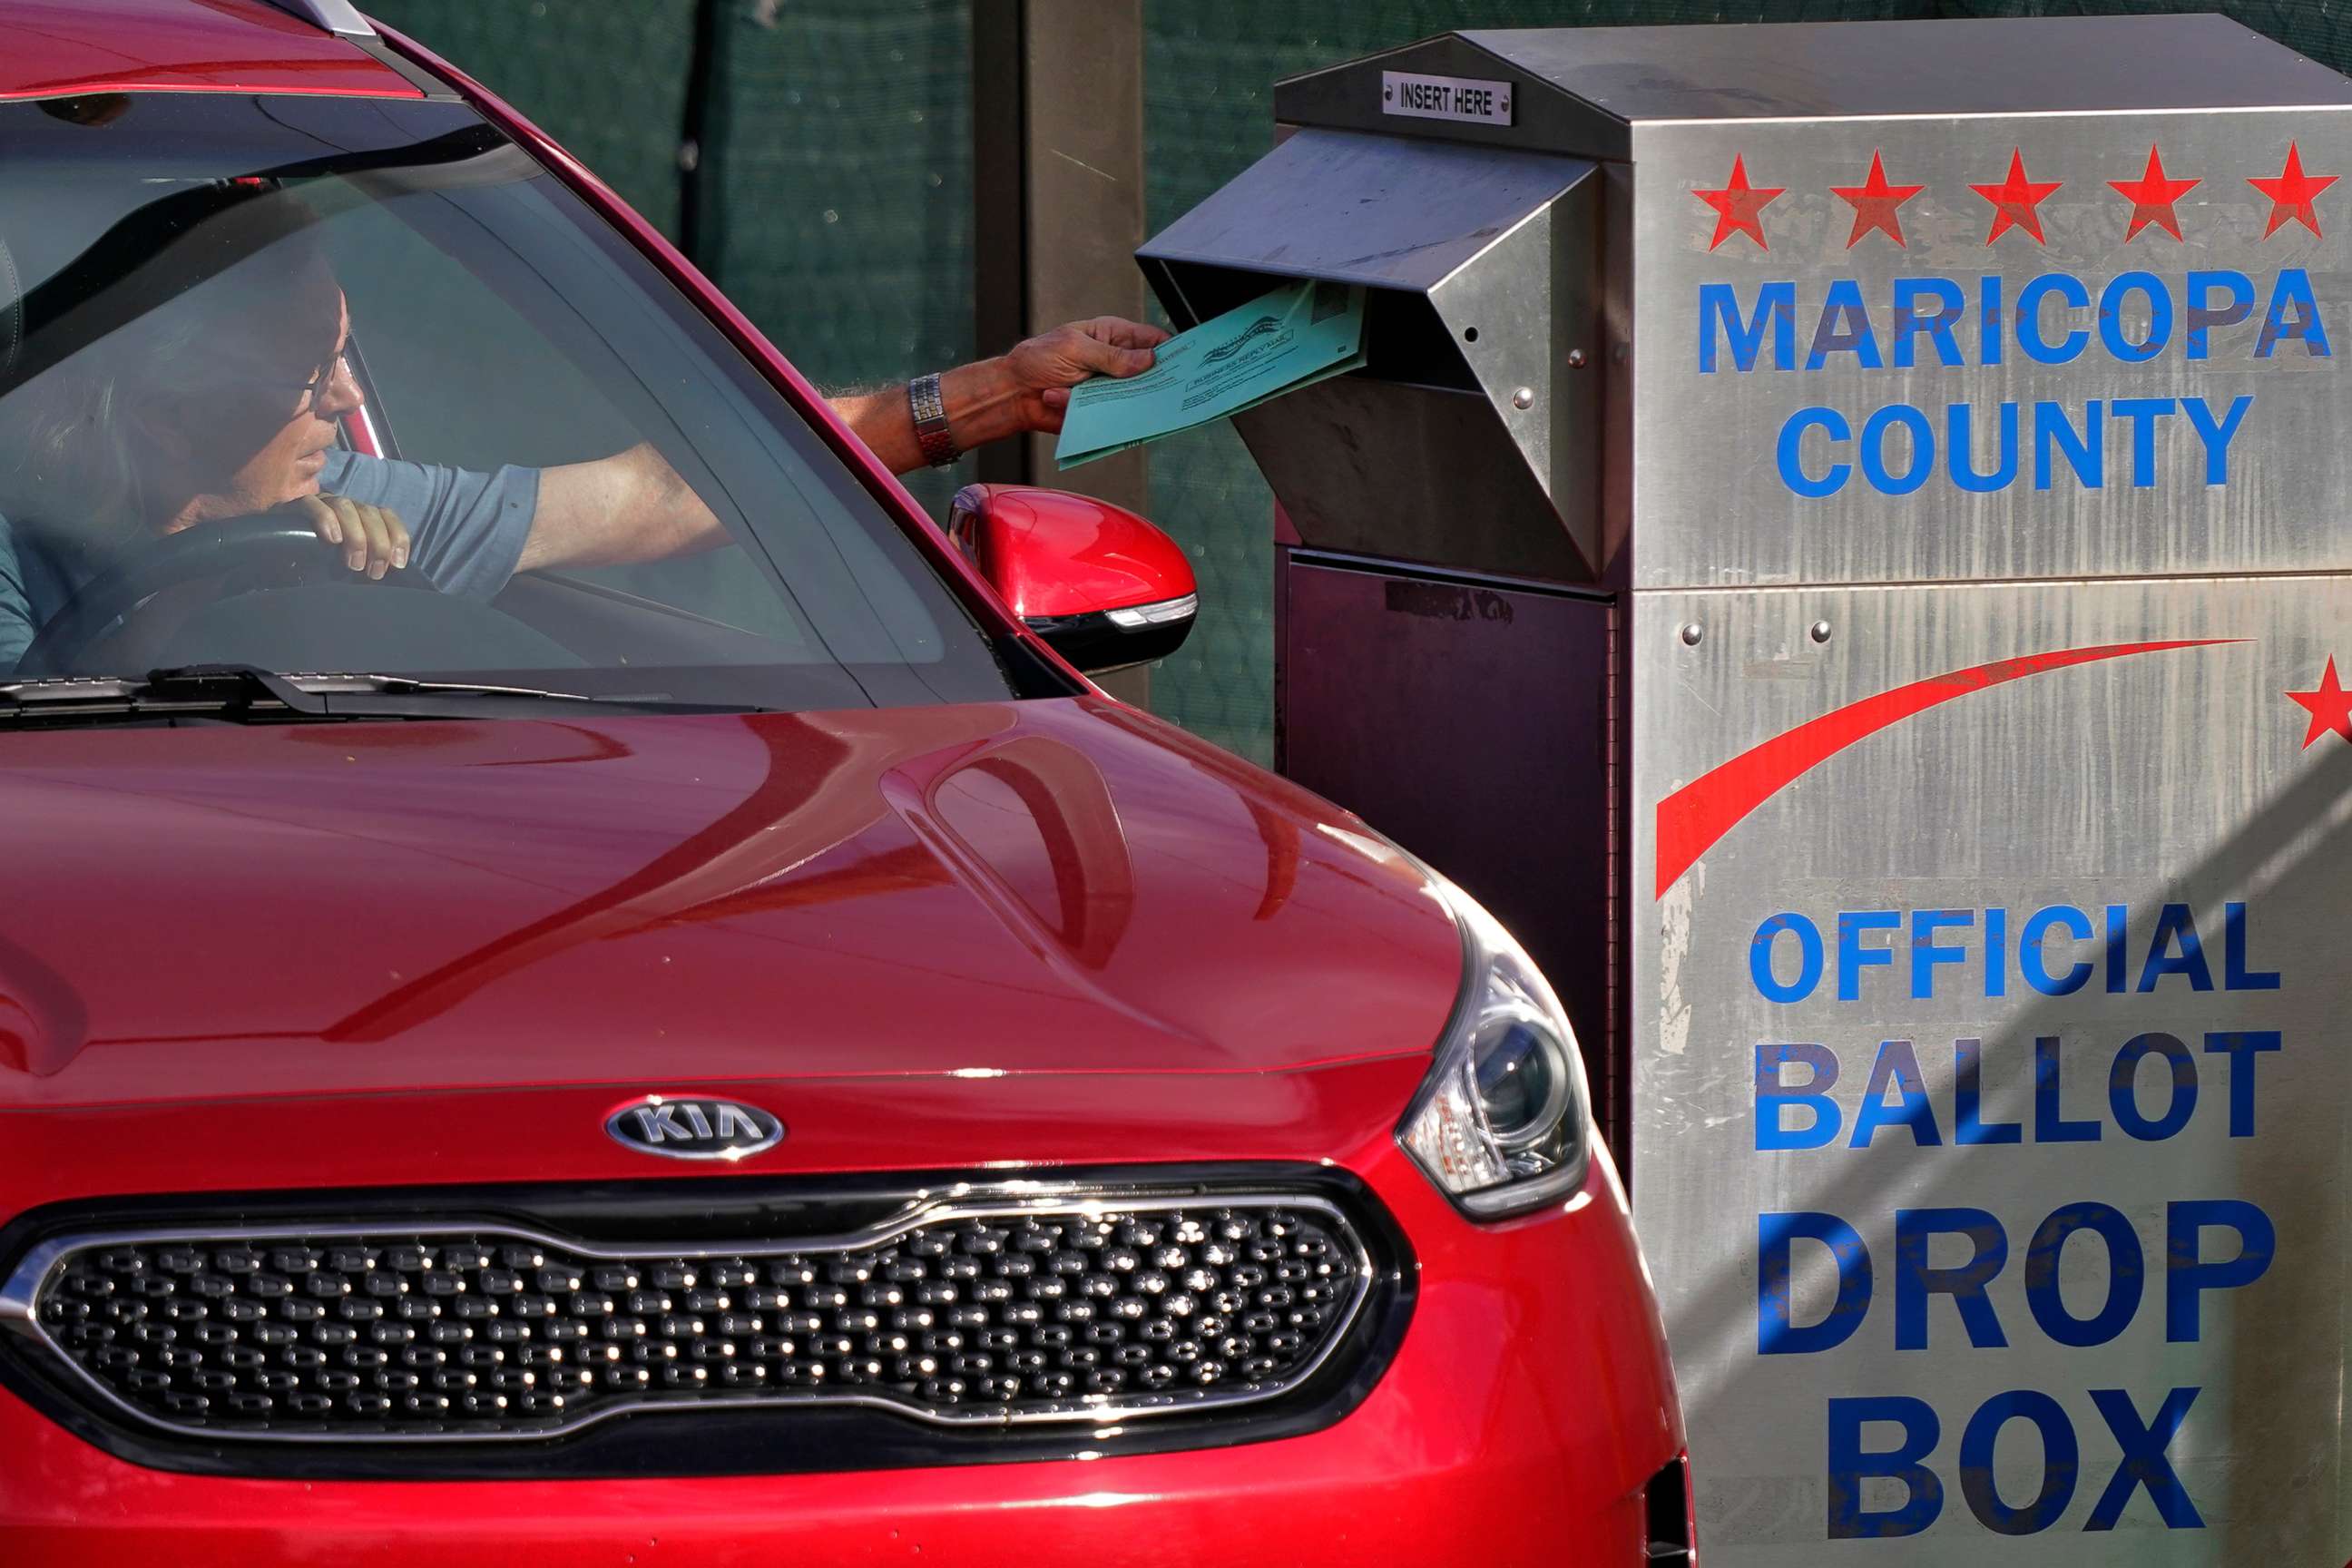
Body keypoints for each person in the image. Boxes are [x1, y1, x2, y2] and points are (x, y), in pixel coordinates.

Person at [0, 211, 1170, 674]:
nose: (347, 394)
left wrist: (994, 394)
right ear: (163, 405)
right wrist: (245, 583)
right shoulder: (16, 550)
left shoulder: (350, 498)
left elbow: (657, 497)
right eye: (309, 378)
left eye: (344, 350)